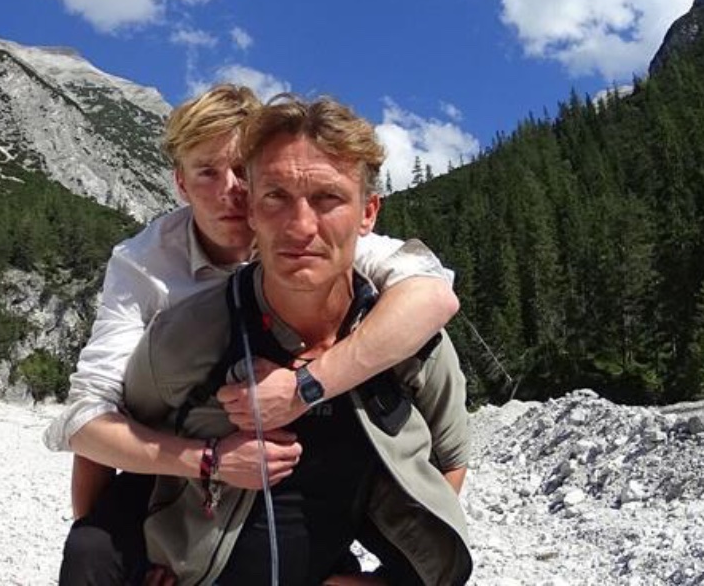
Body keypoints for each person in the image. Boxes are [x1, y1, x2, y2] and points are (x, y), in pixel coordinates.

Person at [44, 85, 460, 584]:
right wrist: (201, 470)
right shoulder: (146, 266)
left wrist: (305, 387)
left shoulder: (307, 232)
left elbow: (432, 296)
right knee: (93, 550)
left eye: (244, 172)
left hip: (287, 467)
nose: (233, 191)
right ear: (180, 183)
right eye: (208, 172)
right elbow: (90, 417)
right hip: (178, 457)